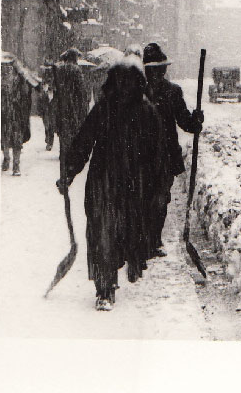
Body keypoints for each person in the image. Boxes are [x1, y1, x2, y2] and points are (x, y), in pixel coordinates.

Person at [56, 57, 164, 311]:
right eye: (120, 82)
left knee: (124, 234)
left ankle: (116, 272)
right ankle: (104, 287)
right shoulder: (104, 109)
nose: (124, 89)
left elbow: (157, 154)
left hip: (132, 187)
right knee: (102, 234)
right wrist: (69, 172)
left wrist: (157, 187)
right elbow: (84, 142)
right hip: (103, 185)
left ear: (137, 84)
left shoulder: (147, 112)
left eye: (129, 83)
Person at [142, 43, 204, 259]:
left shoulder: (172, 92)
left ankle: (153, 239)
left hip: (165, 156)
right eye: (153, 69)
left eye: (160, 69)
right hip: (141, 156)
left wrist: (195, 121)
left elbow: (184, 121)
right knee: (144, 197)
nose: (157, 73)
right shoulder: (137, 92)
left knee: (160, 198)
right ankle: (144, 239)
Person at [52, 48, 90, 181]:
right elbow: (81, 92)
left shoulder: (59, 70)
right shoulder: (76, 70)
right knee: (73, 137)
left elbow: (55, 89)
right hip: (73, 109)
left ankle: (63, 165)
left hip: (61, 109)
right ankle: (69, 168)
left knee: (63, 137)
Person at [1, 53, 39, 176]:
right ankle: (14, 165)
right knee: (13, 138)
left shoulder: (5, 77)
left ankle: (9, 161)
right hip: (13, 112)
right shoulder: (20, 77)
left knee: (6, 137)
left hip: (7, 112)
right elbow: (28, 90)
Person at [39, 63, 55, 151]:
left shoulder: (54, 80)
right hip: (46, 106)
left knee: (50, 124)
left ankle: (50, 141)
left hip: (51, 106)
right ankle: (48, 137)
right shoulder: (43, 82)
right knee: (46, 124)